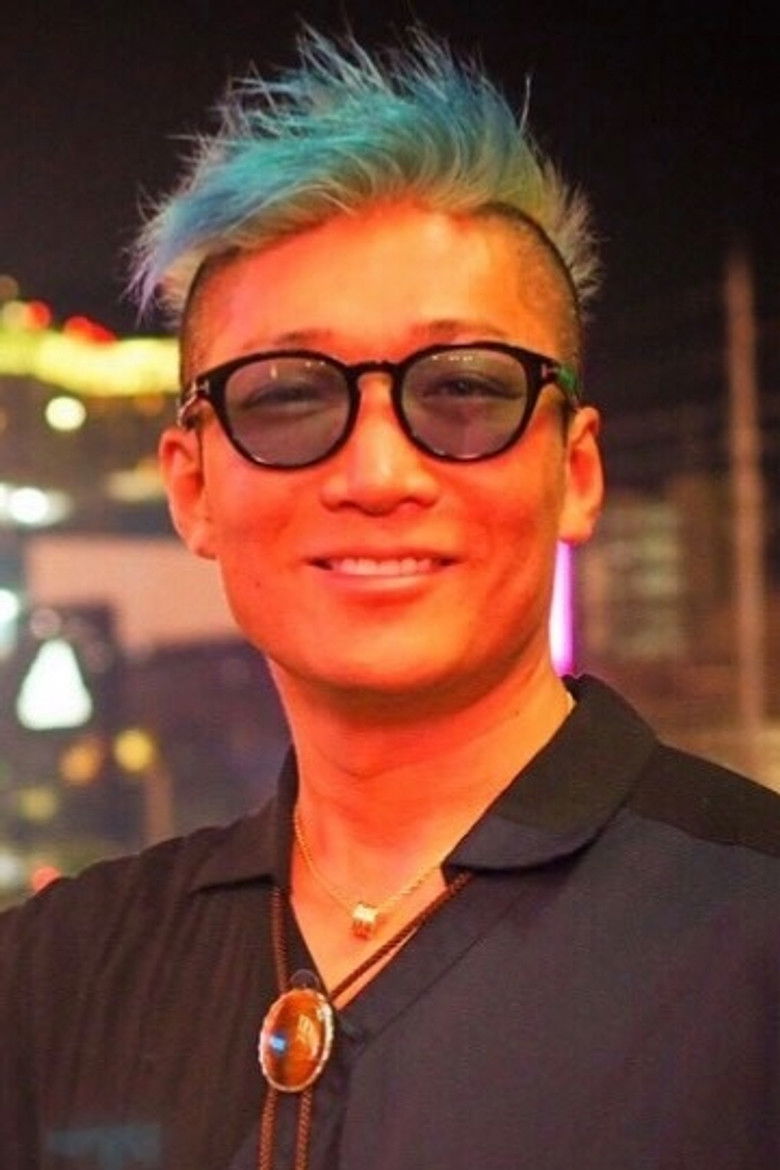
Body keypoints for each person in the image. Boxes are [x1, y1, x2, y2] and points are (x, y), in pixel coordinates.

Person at [3, 28, 780, 1170]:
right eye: (286, 398)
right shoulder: (53, 977)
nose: (377, 473)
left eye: (463, 389)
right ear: (193, 487)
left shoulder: (750, 930)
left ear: (576, 472)